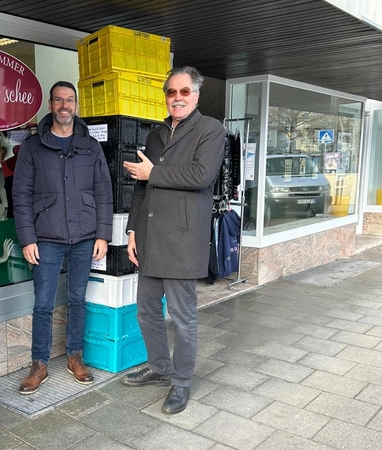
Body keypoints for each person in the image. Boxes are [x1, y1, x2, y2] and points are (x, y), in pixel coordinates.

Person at [120, 67, 225, 414]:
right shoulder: (157, 133)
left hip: (181, 240)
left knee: (182, 318)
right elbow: (141, 184)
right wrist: (133, 231)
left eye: (183, 92)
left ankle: (180, 383)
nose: (176, 98)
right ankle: (160, 367)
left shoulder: (210, 130)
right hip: (149, 238)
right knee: (146, 311)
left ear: (195, 96)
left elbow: (201, 175)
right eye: (170, 92)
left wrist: (155, 173)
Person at [12, 81, 114, 394]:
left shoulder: (90, 145)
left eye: (69, 100)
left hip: (85, 237)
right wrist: (28, 238)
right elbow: (21, 195)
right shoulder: (32, 146)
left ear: (76, 105)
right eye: (59, 100)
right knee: (43, 303)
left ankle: (74, 356)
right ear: (51, 105)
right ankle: (39, 363)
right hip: (46, 238)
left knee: (77, 298)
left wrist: (103, 235)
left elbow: (103, 192)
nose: (64, 106)